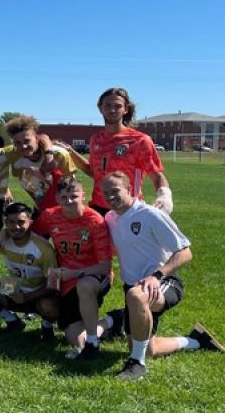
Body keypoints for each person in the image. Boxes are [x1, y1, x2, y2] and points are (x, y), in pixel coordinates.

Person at [102, 172, 224, 380]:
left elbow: (185, 252)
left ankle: (136, 364)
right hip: (133, 286)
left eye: (115, 191)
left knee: (136, 298)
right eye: (106, 193)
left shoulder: (150, 214)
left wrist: (157, 275)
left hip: (164, 282)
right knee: (150, 348)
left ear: (129, 189)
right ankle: (196, 341)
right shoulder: (110, 218)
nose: (110, 197)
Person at [33, 175, 113, 360]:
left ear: (83, 196)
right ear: (57, 198)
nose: (69, 201)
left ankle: (96, 336)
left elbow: (104, 266)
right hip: (63, 278)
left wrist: (75, 273)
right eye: (64, 197)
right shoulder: (50, 216)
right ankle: (110, 321)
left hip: (92, 277)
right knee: (73, 336)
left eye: (74, 196)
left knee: (83, 286)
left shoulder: (95, 221)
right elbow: (33, 233)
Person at [60, 87, 172, 216]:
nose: (112, 110)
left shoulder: (140, 140)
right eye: (107, 105)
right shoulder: (96, 139)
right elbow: (95, 172)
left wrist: (165, 196)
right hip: (98, 209)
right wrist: (69, 151)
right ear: (100, 108)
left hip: (128, 209)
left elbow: (157, 176)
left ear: (125, 109)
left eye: (117, 106)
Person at [0, 203, 60, 339]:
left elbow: (54, 286)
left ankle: (47, 327)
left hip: (37, 292)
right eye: (11, 222)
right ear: (5, 222)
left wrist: (27, 297)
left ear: (31, 222)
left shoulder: (43, 249)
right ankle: (13, 321)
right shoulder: (3, 238)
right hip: (13, 287)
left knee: (49, 306)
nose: (16, 227)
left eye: (21, 222)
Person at [6, 115, 75, 214]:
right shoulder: (16, 159)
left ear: (37, 138)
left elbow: (72, 186)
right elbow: (24, 183)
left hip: (65, 206)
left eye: (27, 141)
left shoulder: (59, 155)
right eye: (18, 143)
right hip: (42, 207)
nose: (23, 146)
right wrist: (38, 201)